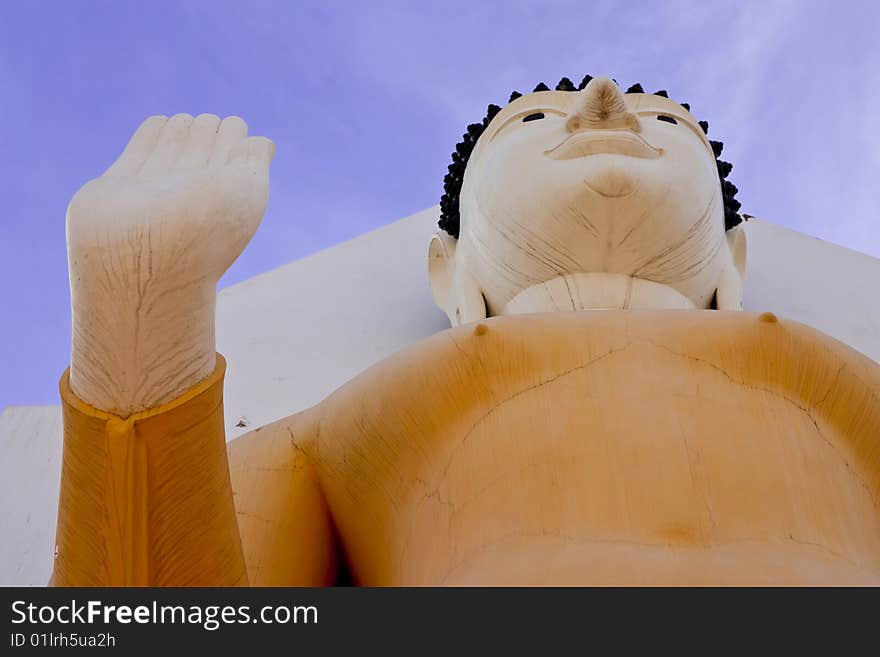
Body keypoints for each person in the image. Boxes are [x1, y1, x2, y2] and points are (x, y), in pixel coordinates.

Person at [53, 77, 880, 586]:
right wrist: (143, 323)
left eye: (667, 123)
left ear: (731, 262)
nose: (605, 100)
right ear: (449, 273)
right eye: (530, 123)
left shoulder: (840, 384)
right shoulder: (351, 428)